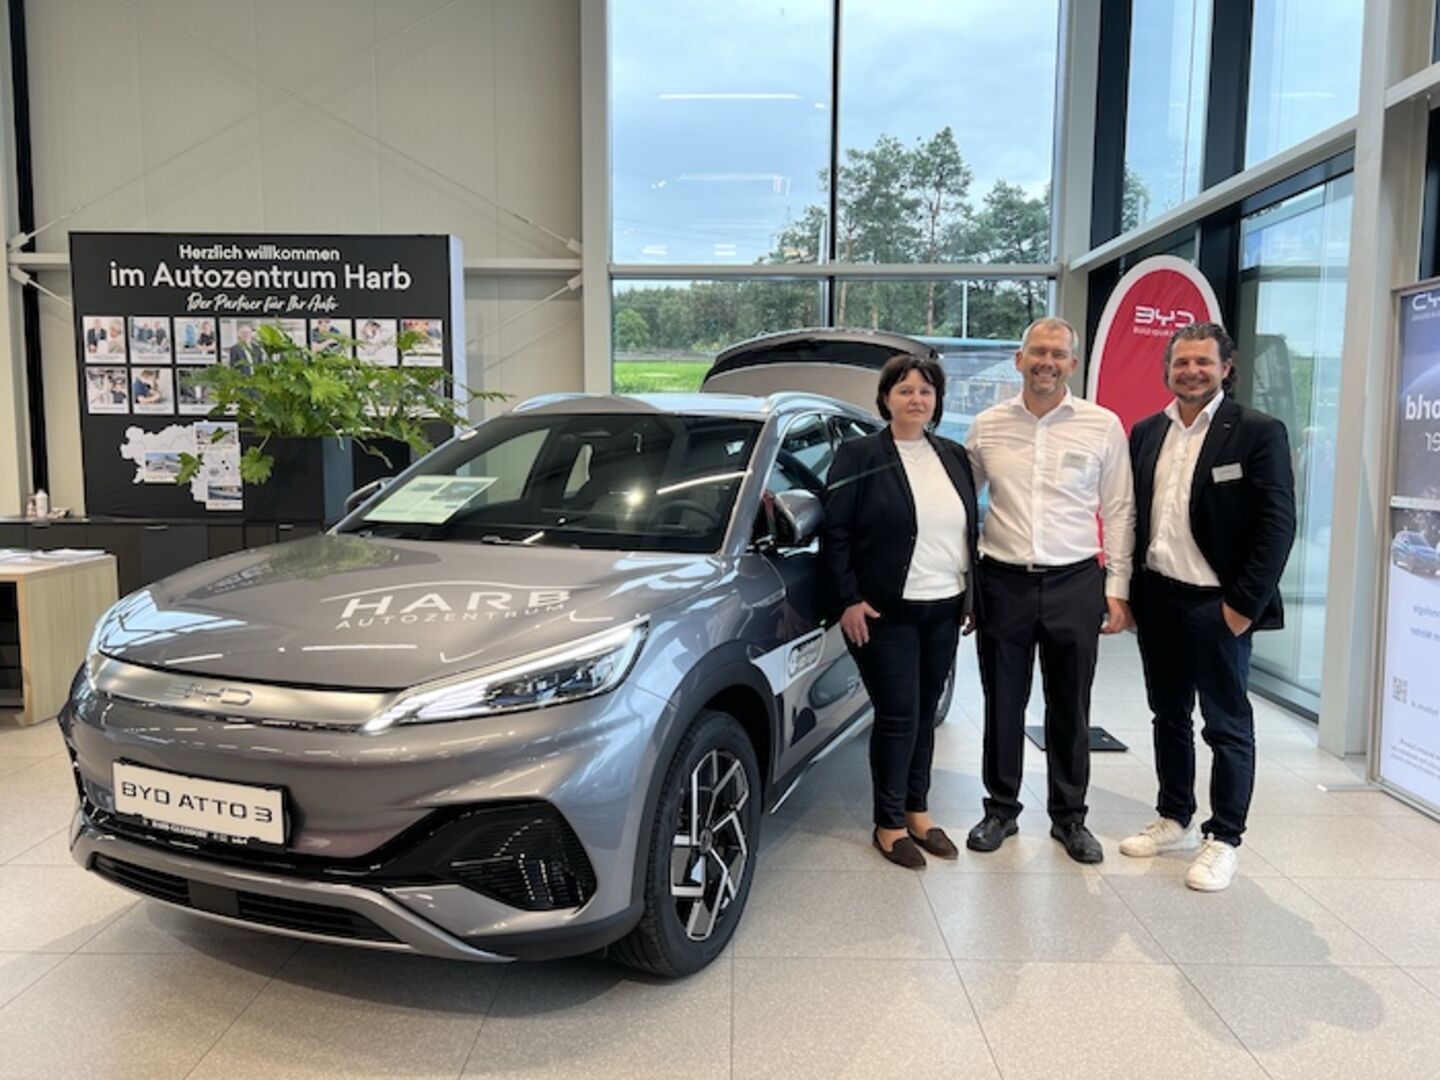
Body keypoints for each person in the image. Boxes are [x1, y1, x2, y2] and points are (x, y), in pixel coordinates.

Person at [1121, 322, 1296, 891]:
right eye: (1181, 362)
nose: (1191, 371)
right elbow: (1135, 515)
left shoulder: (1257, 432)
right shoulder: (1147, 432)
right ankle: (1175, 817)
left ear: (1226, 367)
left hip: (1218, 606)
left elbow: (1277, 525)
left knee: (1226, 724)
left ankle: (1224, 838)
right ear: (1167, 369)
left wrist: (1242, 606)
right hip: (1159, 598)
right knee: (1168, 715)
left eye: (1203, 362)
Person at [964, 316, 1135, 864]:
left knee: (1070, 705)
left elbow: (1120, 510)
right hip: (1003, 582)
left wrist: (1118, 587)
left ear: (1072, 364)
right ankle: (1000, 809)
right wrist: (965, 584)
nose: (1047, 362)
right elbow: (960, 503)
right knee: (1002, 702)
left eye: (1058, 354)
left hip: (1075, 581)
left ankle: (1070, 817)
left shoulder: (1102, 425)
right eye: (1038, 352)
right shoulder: (987, 426)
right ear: (1019, 360)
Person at [822, 353, 980, 869]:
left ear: (937, 400)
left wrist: (970, 596)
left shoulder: (953, 455)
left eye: (926, 391)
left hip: (944, 606)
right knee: (898, 714)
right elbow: (836, 531)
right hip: (884, 611)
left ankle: (918, 810)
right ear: (886, 399)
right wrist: (847, 599)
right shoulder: (859, 454)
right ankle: (888, 823)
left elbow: (967, 530)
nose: (916, 399)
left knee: (926, 714)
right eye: (905, 390)